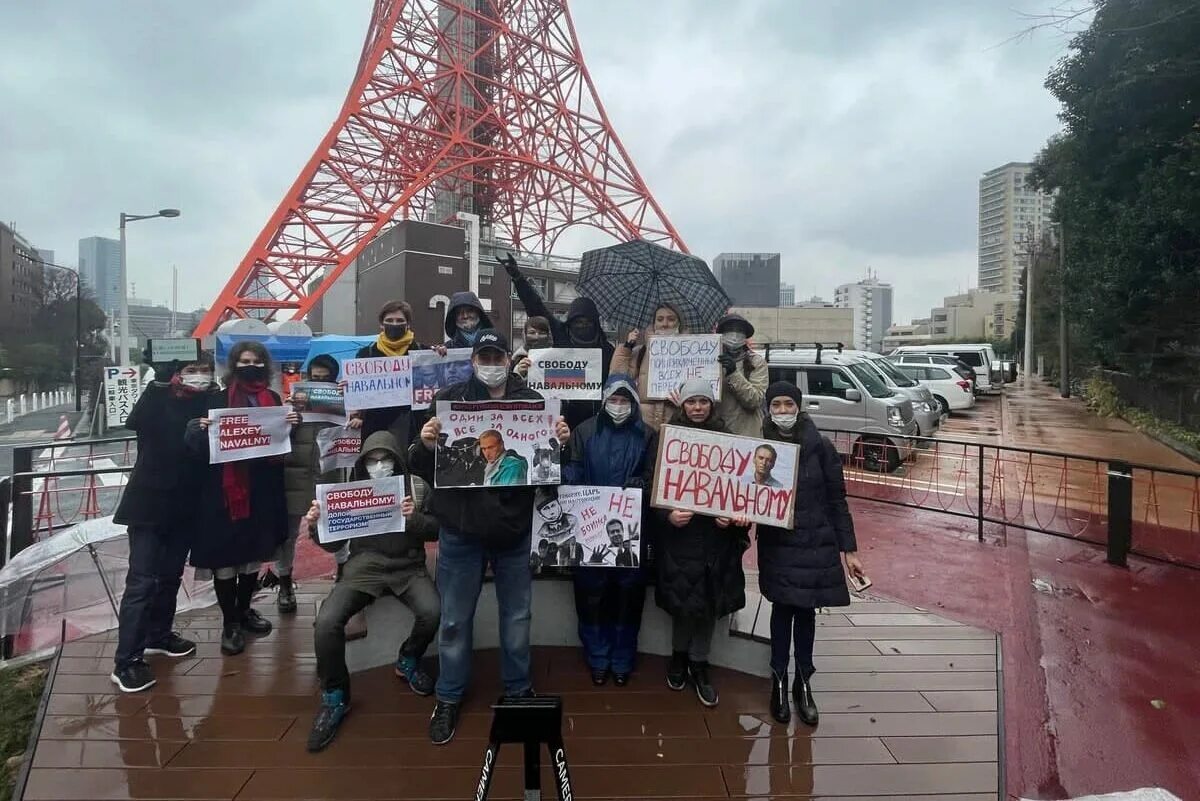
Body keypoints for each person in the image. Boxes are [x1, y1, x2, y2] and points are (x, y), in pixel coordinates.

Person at [409, 329, 571, 745]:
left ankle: (519, 688)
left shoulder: (533, 403)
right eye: (484, 354)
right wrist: (426, 446)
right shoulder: (448, 400)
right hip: (460, 531)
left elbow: (545, 471)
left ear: (506, 357)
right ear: (474, 359)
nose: (492, 361)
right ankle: (448, 696)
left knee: (517, 617)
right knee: (452, 620)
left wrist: (561, 445)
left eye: (498, 354)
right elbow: (426, 469)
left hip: (513, 531)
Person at [303, 431, 441, 752]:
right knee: (327, 622)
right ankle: (335, 695)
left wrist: (414, 519)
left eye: (386, 458)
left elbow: (437, 528)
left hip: (408, 566)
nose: (380, 465)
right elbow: (333, 544)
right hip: (364, 566)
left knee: (432, 611)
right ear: (363, 464)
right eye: (373, 460)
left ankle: (408, 659)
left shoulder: (417, 487)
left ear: (398, 459)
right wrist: (317, 525)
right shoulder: (350, 493)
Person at [110, 350, 220, 693]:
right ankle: (126, 660)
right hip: (148, 503)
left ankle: (159, 634)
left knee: (171, 575)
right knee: (142, 581)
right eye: (191, 369)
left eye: (204, 370)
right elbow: (135, 421)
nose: (199, 375)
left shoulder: (212, 402)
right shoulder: (158, 397)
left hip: (186, 505)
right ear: (176, 372)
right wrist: (157, 380)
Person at [757, 381, 865, 726]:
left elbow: (837, 500)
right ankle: (778, 680)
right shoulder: (757, 446)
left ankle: (804, 682)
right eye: (777, 404)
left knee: (805, 612)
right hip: (778, 540)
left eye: (789, 404)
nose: (784, 411)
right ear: (768, 409)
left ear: (799, 407)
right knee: (781, 608)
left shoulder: (822, 447)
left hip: (815, 540)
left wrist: (849, 549)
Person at [186, 341, 298, 657]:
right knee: (226, 558)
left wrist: (290, 426)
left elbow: (279, 444)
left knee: (252, 556)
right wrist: (199, 429)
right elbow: (197, 447)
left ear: (266, 365)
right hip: (224, 491)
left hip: (263, 490)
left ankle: (244, 610)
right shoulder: (215, 400)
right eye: (244, 360)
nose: (251, 365)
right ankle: (230, 622)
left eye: (257, 361)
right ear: (234, 365)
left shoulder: (273, 399)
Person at [651, 378, 749, 707]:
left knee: (707, 603)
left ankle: (699, 663)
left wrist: (733, 517)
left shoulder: (730, 441)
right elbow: (653, 486)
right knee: (682, 601)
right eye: (691, 402)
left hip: (716, 541)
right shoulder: (665, 440)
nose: (697, 408)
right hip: (680, 538)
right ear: (683, 405)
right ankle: (679, 658)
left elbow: (742, 491)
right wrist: (668, 515)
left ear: (712, 405)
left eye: (703, 402)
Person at [562, 374, 654, 686]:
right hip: (590, 530)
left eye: (624, 400)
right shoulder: (584, 431)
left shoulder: (648, 435)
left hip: (631, 531)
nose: (618, 406)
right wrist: (567, 481)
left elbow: (655, 477)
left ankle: (622, 659)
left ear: (634, 403)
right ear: (603, 401)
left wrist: (642, 484)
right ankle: (597, 657)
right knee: (591, 596)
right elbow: (573, 467)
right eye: (613, 399)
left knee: (628, 598)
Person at [500, 254, 613, 429]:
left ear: (595, 323)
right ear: (570, 322)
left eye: (587, 322)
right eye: (577, 322)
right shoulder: (561, 334)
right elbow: (536, 307)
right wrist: (518, 278)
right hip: (562, 414)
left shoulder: (606, 349)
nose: (582, 326)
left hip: (596, 419)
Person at [277, 354, 350, 612]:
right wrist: (288, 416)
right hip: (294, 475)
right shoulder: (293, 403)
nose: (319, 383)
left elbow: (354, 431)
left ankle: (343, 574)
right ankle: (284, 582)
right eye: (314, 378)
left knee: (336, 527)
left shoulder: (345, 401)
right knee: (287, 534)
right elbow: (277, 436)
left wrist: (351, 403)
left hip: (326, 474)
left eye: (325, 378)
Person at [351, 300, 442, 443]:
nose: (394, 324)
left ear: (408, 324)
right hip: (376, 427)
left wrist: (442, 355)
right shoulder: (365, 355)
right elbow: (358, 392)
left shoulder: (423, 352)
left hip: (414, 427)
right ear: (381, 324)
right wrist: (348, 388)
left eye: (400, 320)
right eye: (389, 320)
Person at [609, 302, 688, 431]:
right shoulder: (640, 352)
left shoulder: (692, 352)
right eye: (660, 319)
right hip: (643, 423)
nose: (665, 324)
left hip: (676, 421)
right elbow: (617, 380)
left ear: (679, 324)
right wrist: (627, 348)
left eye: (671, 319)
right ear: (654, 324)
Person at [713, 313, 768, 437]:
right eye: (729, 330)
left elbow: (755, 400)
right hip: (717, 433)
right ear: (721, 334)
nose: (734, 334)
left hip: (746, 434)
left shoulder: (756, 362)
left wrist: (733, 373)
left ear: (745, 336)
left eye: (739, 330)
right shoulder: (710, 360)